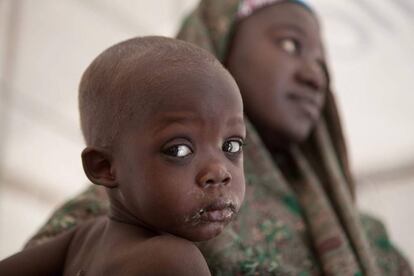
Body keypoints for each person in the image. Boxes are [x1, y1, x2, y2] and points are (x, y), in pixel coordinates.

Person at [25, 0, 413, 275]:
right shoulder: (117, 217)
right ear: (217, 42)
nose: (316, 77)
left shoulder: (369, 238)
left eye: (321, 62)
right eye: (291, 44)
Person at [0, 36, 246, 275]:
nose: (219, 171)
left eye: (232, 146)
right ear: (104, 167)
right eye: (179, 150)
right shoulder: (173, 261)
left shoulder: (84, 240)